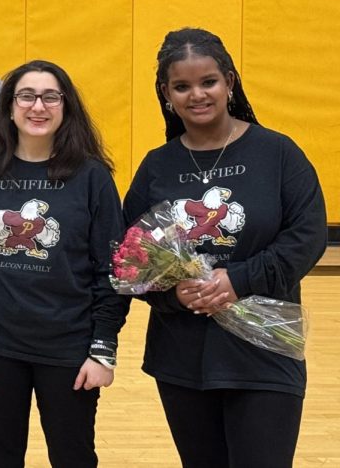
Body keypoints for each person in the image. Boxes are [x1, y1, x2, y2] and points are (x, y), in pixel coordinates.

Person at [123, 28, 327, 468]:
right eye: (182, 86)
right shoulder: (157, 166)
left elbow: (307, 236)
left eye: (208, 82)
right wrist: (172, 294)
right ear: (166, 93)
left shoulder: (277, 153)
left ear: (230, 82)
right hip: (182, 357)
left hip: (266, 351)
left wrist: (239, 279)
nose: (197, 94)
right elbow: (130, 254)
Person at [0, 60, 126, 468]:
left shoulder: (92, 177)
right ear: (10, 107)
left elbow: (113, 270)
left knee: (73, 455)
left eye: (50, 97)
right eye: (26, 96)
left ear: (66, 107)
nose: (38, 106)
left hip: (69, 347)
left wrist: (103, 349)